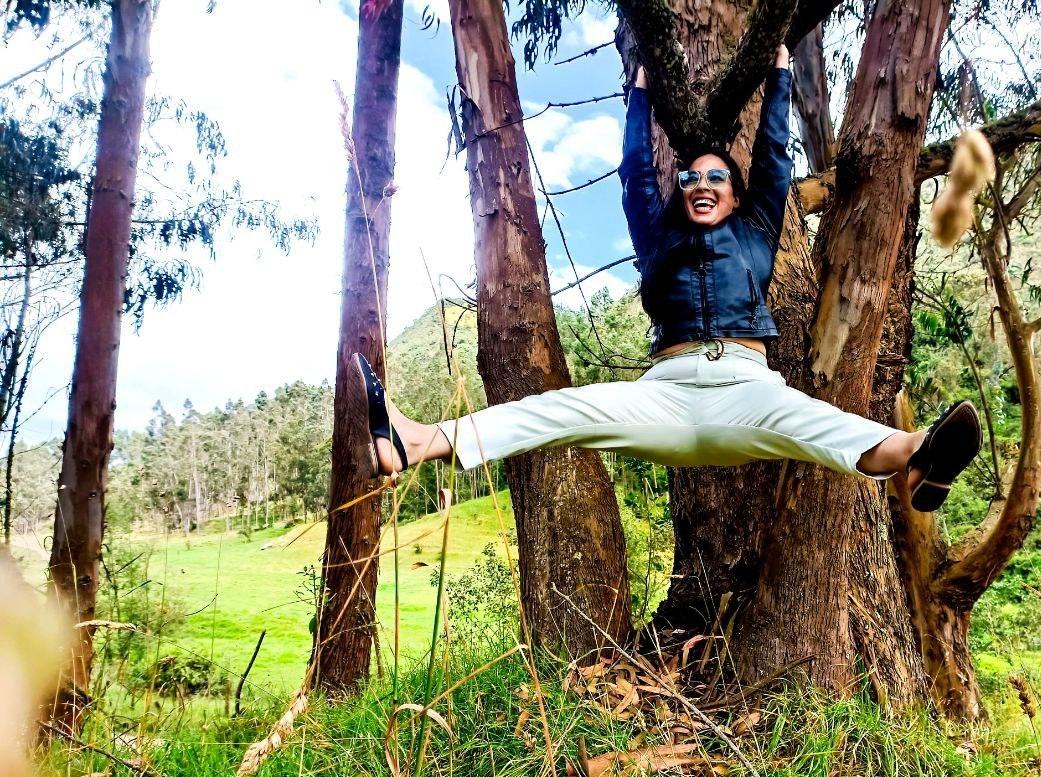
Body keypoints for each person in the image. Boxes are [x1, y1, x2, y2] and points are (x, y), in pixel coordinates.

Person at [353, 45, 981, 512]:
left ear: (735, 195)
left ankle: (920, 457)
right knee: (555, 410)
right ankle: (414, 442)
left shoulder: (758, 229)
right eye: (690, 178)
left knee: (827, 426)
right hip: (664, 395)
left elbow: (773, 158)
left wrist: (781, 76)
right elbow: (634, 173)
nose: (702, 184)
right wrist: (639, 97)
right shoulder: (657, 239)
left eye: (716, 177)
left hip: (747, 392)